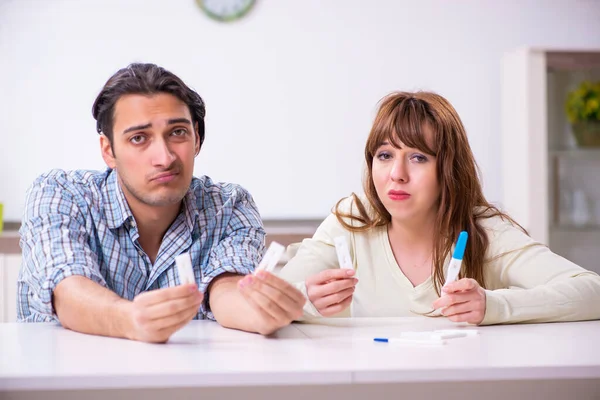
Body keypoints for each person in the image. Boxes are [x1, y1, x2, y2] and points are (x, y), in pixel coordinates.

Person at [17, 63, 305, 342]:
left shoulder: (229, 206)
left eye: (177, 132)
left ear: (197, 139)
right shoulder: (60, 194)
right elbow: (68, 290)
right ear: (108, 151)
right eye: (139, 138)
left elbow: (226, 289)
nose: (165, 158)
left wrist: (260, 313)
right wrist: (129, 319)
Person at [278, 91, 600, 325]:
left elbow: (591, 291)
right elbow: (268, 298)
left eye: (418, 157)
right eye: (385, 155)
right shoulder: (353, 219)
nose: (397, 174)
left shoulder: (482, 231)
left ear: (447, 169)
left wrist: (493, 306)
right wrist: (305, 300)